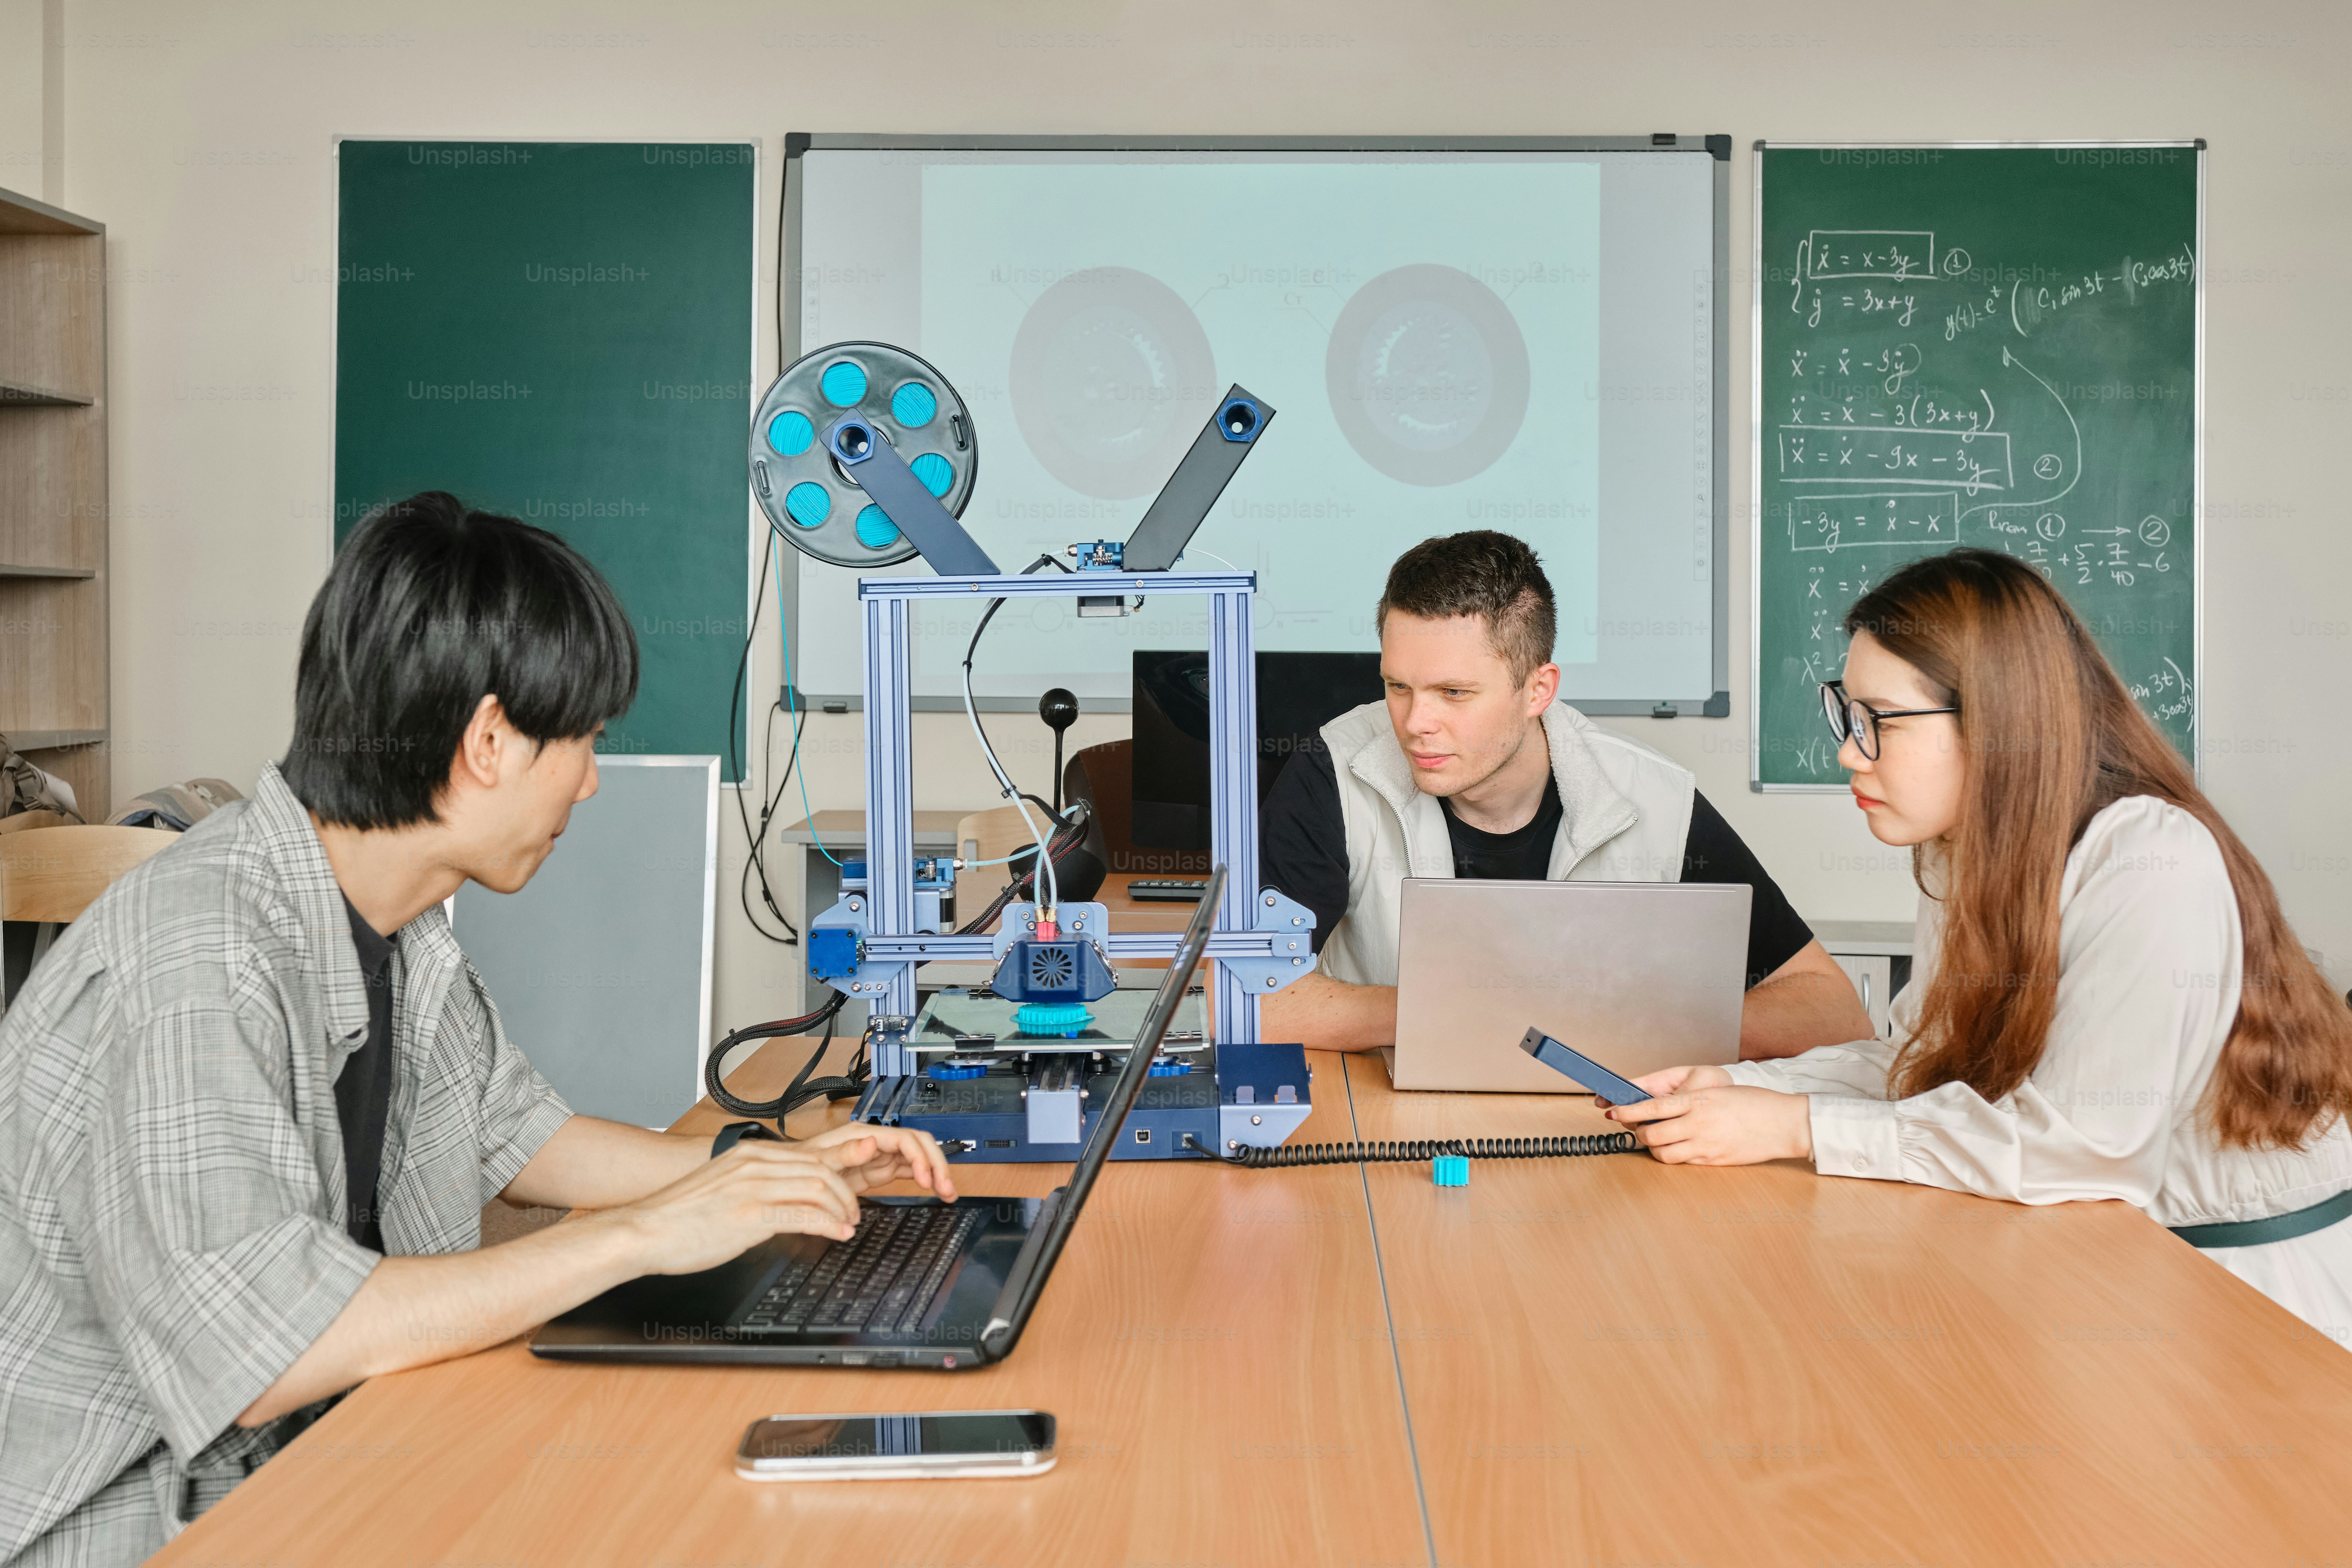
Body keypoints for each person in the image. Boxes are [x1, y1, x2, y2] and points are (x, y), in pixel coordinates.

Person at [0, 493, 955, 1565]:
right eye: (583, 741)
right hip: (135, 1516)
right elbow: (269, 1347)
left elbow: (529, 1142)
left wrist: (763, 1167)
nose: (591, 780)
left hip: (315, 1445)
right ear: (490, 740)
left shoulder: (396, 921)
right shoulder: (198, 954)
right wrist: (647, 1234)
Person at [1602, 548, 2352, 1336]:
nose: (1846, 754)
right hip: (2098, 1260)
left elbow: (2087, 1151)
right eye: (1845, 715)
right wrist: (1739, 1090)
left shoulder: (2149, 857)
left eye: (1877, 723)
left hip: (2241, 1298)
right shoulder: (1966, 850)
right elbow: (1924, 1064)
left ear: (1995, 718)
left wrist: (1794, 1127)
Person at [1260, 530, 1871, 1059]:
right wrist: (1483, 1011)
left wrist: (1628, 1027)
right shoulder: (1331, 769)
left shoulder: (1653, 797)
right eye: (1398, 686)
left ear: (1538, 690)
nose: (1416, 722)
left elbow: (1832, 1013)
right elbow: (1254, 1004)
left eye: (1454, 693)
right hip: (1391, 1126)